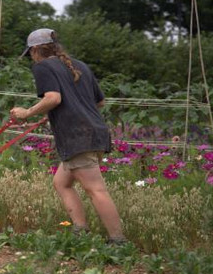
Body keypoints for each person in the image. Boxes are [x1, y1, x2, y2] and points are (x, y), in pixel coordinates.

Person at [10, 28, 127, 244]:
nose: (32, 58)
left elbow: (53, 98)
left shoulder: (43, 66)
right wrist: (61, 111)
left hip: (77, 136)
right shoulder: (78, 65)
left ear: (36, 50)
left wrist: (26, 113)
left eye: (31, 54)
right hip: (95, 132)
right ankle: (80, 231)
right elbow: (99, 102)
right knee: (61, 183)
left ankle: (118, 240)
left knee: (95, 189)